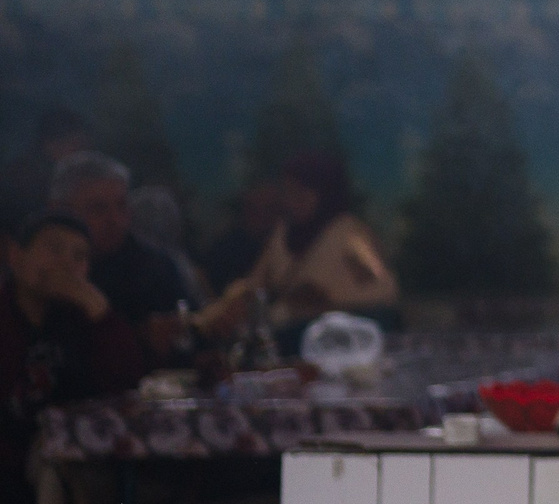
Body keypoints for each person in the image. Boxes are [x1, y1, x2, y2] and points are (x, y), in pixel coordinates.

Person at [2, 212, 149, 504]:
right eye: (52, 249)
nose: (65, 264)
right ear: (15, 256)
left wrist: (95, 305)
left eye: (80, 257)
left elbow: (127, 380)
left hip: (61, 466)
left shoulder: (78, 319)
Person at [203, 153, 398, 335]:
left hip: (339, 335)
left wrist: (323, 305)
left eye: (302, 193)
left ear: (324, 193)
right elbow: (255, 285)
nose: (293, 201)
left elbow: (382, 289)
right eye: (289, 192)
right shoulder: (283, 234)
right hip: (288, 334)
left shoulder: (348, 234)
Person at [49, 151, 189, 356]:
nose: (114, 220)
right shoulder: (43, 269)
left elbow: (189, 332)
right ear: (60, 210)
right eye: (98, 209)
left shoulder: (153, 265)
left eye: (122, 206)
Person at [0, 108, 91, 231]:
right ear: (51, 144)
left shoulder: (57, 174)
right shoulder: (24, 178)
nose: (82, 154)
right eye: (76, 145)